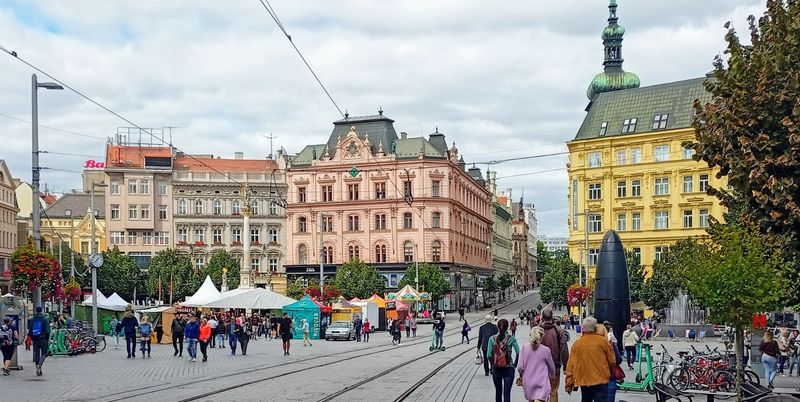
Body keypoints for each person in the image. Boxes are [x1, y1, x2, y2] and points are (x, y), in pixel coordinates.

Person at [564, 317, 617, 402]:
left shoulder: (577, 344)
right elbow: (612, 360)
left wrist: (569, 383)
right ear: (595, 328)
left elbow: (570, 365)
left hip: (584, 381)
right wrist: (611, 372)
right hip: (601, 380)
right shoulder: (603, 342)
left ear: (583, 329)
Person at [517, 326, 556, 402]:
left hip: (528, 382)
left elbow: (520, 367)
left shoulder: (524, 348)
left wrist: (521, 375)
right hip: (542, 381)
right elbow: (551, 367)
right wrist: (552, 376)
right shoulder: (546, 350)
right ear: (541, 337)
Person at [540, 308, 569, 402]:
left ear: (542, 317)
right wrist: (566, 365)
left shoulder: (537, 330)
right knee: (553, 390)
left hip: (539, 366)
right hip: (555, 365)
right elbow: (564, 349)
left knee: (540, 391)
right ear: (552, 317)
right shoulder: (558, 330)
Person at [488, 319, 520, 402]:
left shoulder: (492, 339)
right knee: (507, 394)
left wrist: (493, 365)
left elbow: (488, 355)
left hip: (496, 369)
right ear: (508, 328)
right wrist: (514, 365)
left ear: (497, 327)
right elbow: (518, 352)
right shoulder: (511, 338)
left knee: (498, 392)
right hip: (508, 368)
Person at [596, 324, 623, 402]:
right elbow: (618, 359)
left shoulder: (591, 345)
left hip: (596, 379)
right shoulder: (610, 344)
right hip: (610, 377)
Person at [28, 306, 50, 376]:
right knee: (44, 353)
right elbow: (47, 331)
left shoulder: (32, 319)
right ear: (42, 310)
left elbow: (30, 331)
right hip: (43, 339)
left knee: (36, 354)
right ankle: (39, 365)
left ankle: (37, 367)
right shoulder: (45, 319)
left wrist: (32, 338)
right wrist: (47, 338)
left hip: (35, 339)